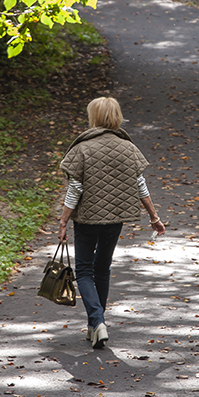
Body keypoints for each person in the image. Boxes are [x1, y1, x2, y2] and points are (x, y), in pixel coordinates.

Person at [58, 97, 165, 349]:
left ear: (93, 117)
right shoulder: (128, 147)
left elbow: (75, 189)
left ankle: (97, 321)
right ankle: (96, 324)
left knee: (85, 270)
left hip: (87, 219)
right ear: (117, 117)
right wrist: (154, 217)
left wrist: (63, 221)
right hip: (115, 218)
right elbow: (140, 185)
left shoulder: (82, 148)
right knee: (102, 268)